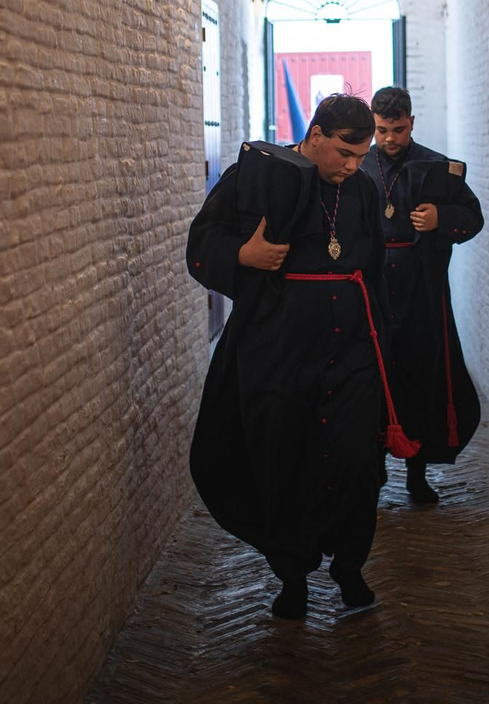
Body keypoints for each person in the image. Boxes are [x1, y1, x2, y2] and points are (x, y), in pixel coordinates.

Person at [186, 94, 419, 620]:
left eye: (361, 156)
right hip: (281, 355)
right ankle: (292, 577)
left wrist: (382, 337)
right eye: (343, 153)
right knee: (284, 460)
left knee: (359, 464)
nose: (354, 167)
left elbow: (374, 270)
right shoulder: (259, 178)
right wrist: (244, 256)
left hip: (352, 351)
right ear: (315, 136)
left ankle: (350, 569)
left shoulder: (358, 188)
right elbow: (201, 242)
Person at [361, 86, 484, 503]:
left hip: (421, 295)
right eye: (381, 130)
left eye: (397, 129)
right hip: (372, 294)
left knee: (419, 380)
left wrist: (440, 218)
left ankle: (417, 475)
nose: (390, 139)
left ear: (411, 122)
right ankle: (374, 474)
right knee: (375, 384)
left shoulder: (435, 167)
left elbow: (473, 217)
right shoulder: (357, 165)